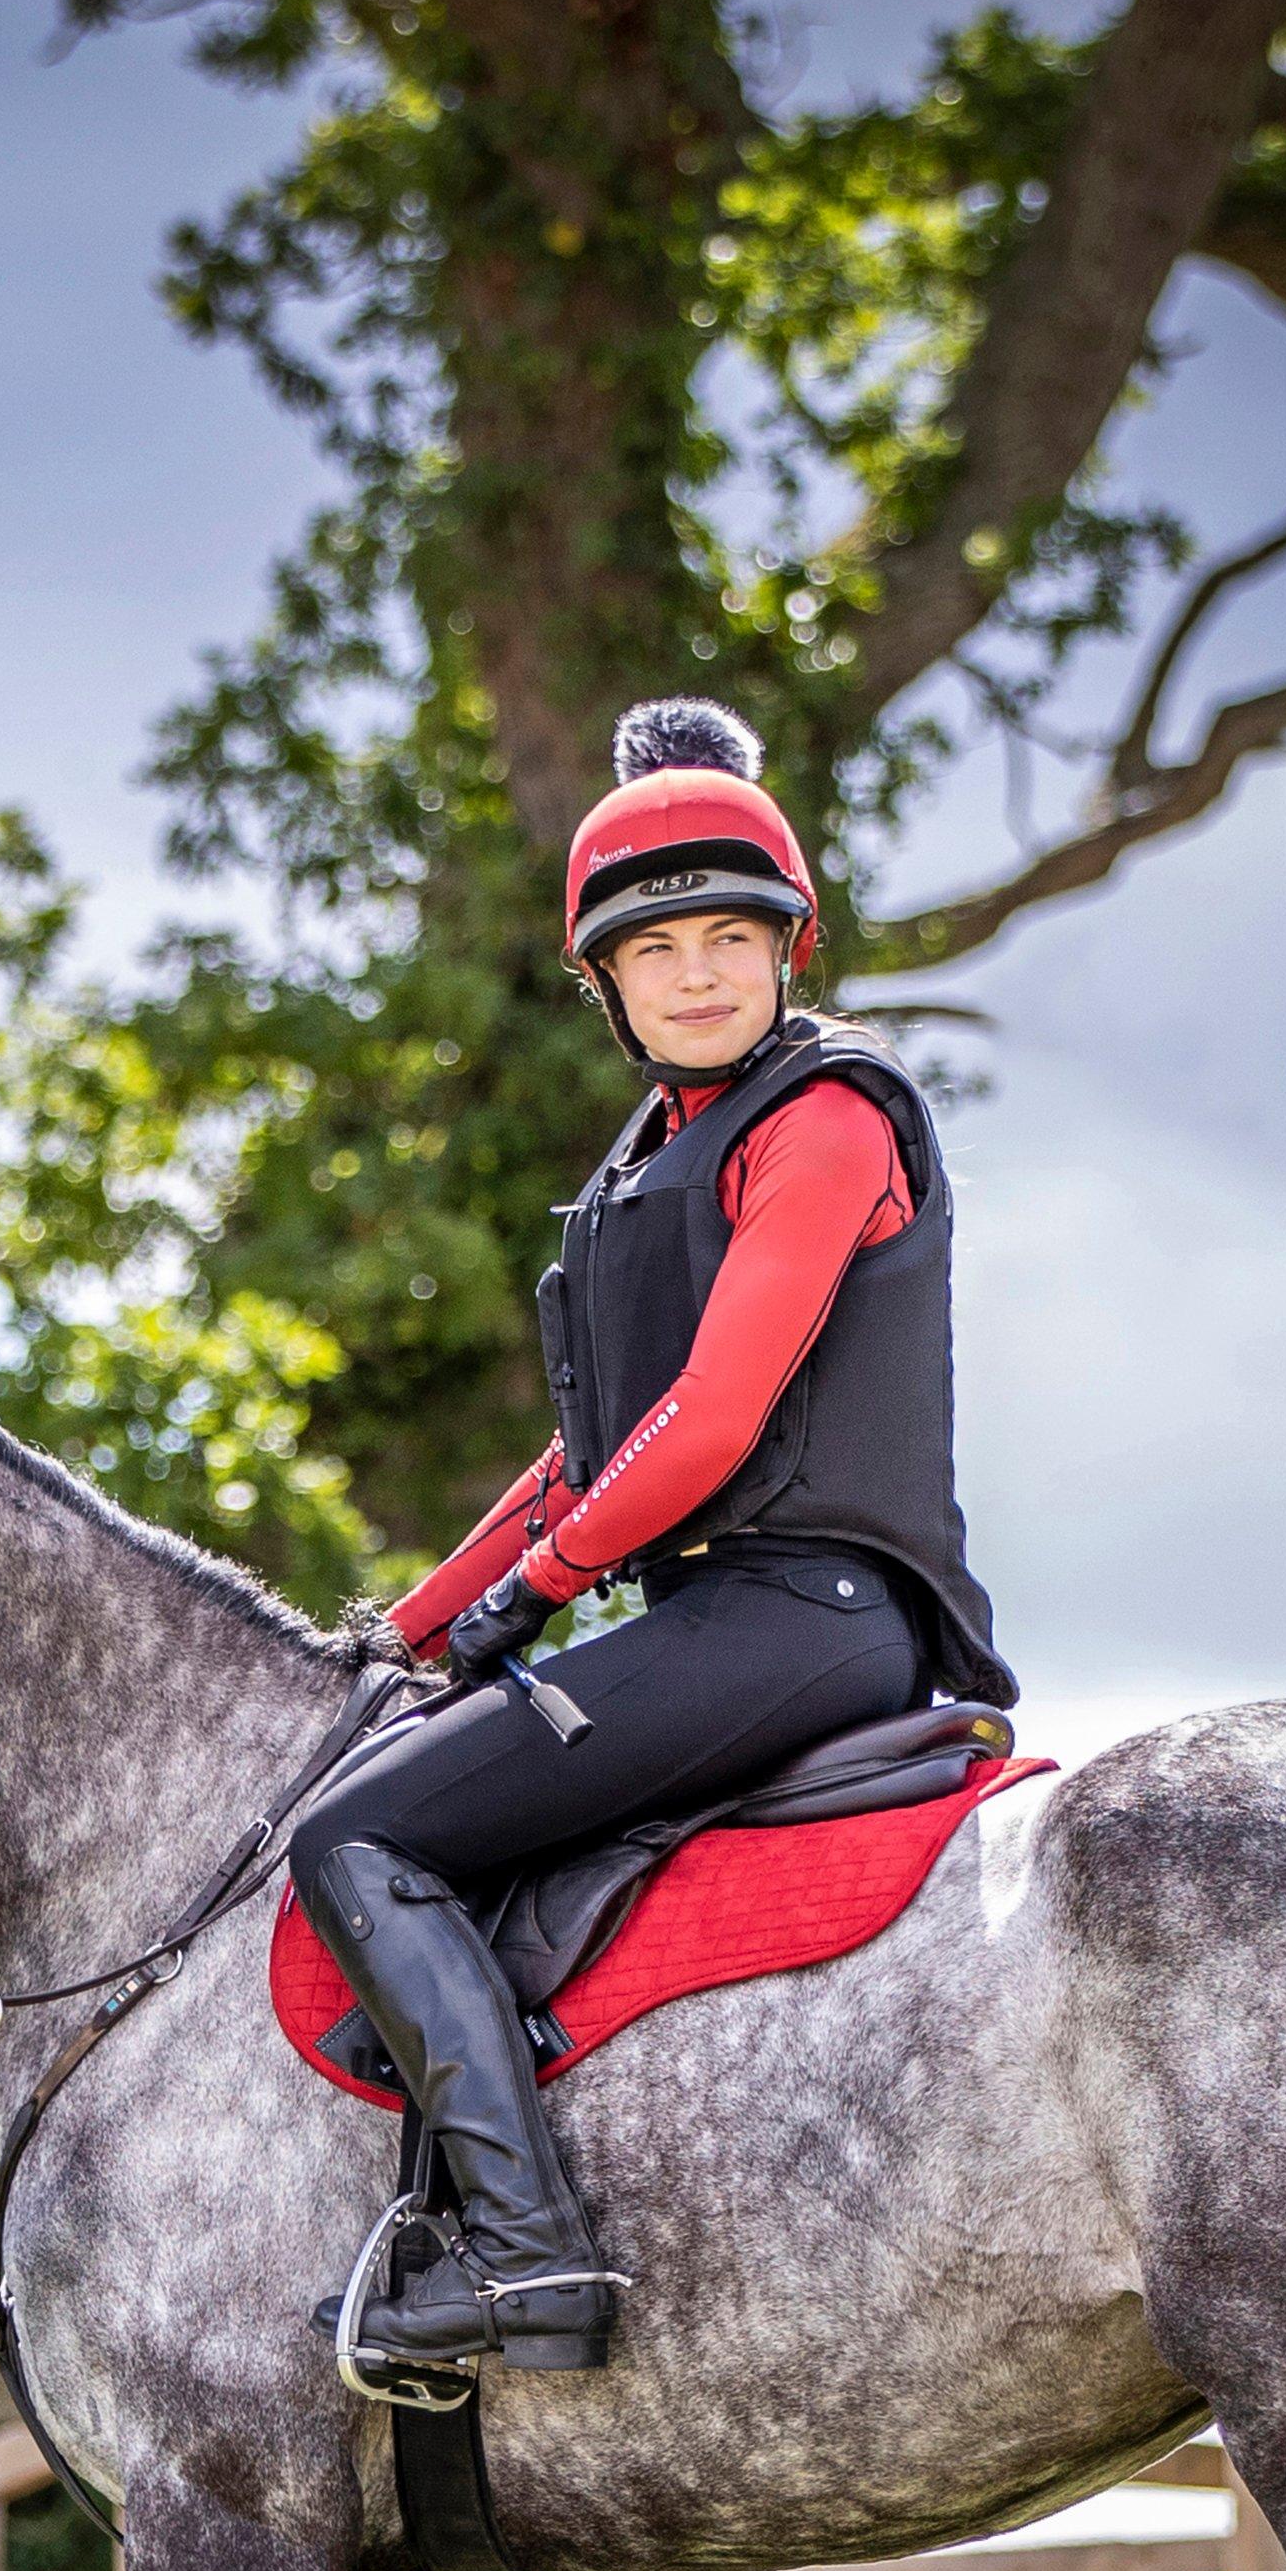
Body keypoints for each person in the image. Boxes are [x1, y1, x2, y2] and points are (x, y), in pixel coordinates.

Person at [291, 695, 1015, 2382]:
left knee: (356, 1845)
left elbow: (714, 1422)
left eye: (728, 940)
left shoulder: (825, 1121)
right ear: (603, 986)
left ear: (788, 948)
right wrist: (407, 1627)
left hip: (812, 1614)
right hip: (715, 1611)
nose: (696, 974)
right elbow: (588, 1455)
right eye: (656, 950)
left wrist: (538, 1599)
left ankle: (527, 2259)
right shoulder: (656, 1158)